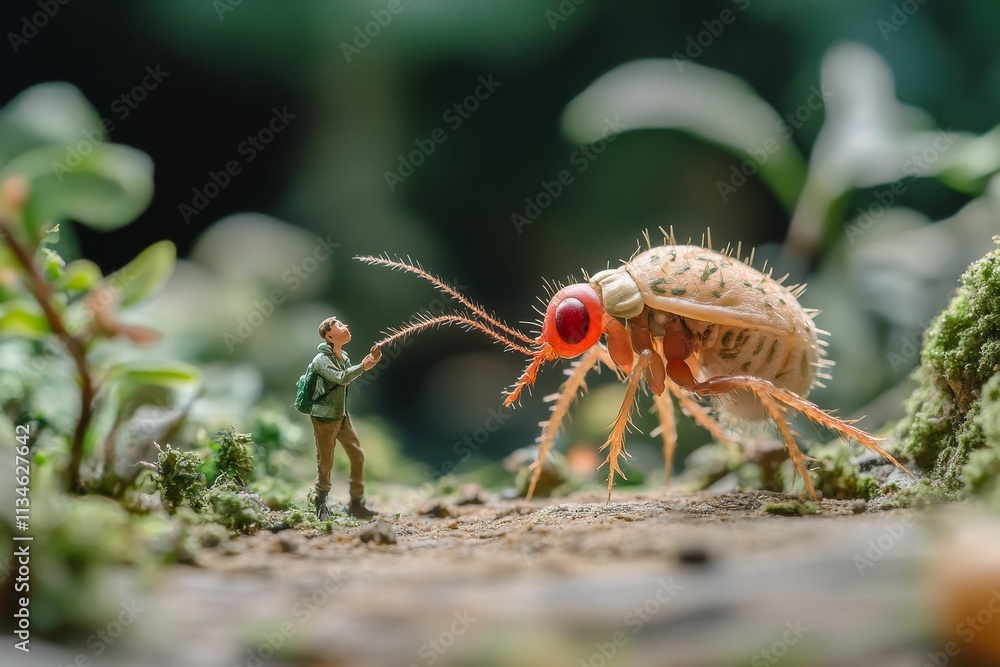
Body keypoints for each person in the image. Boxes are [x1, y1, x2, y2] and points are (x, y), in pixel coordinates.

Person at [308, 316, 381, 520]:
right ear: (329, 335)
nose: (345, 326)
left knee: (357, 455)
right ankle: (320, 504)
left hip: (341, 415)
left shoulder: (343, 356)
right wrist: (363, 366)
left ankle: (356, 503)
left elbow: (348, 374)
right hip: (324, 418)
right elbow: (341, 378)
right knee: (326, 463)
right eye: (339, 325)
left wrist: (371, 361)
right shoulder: (321, 361)